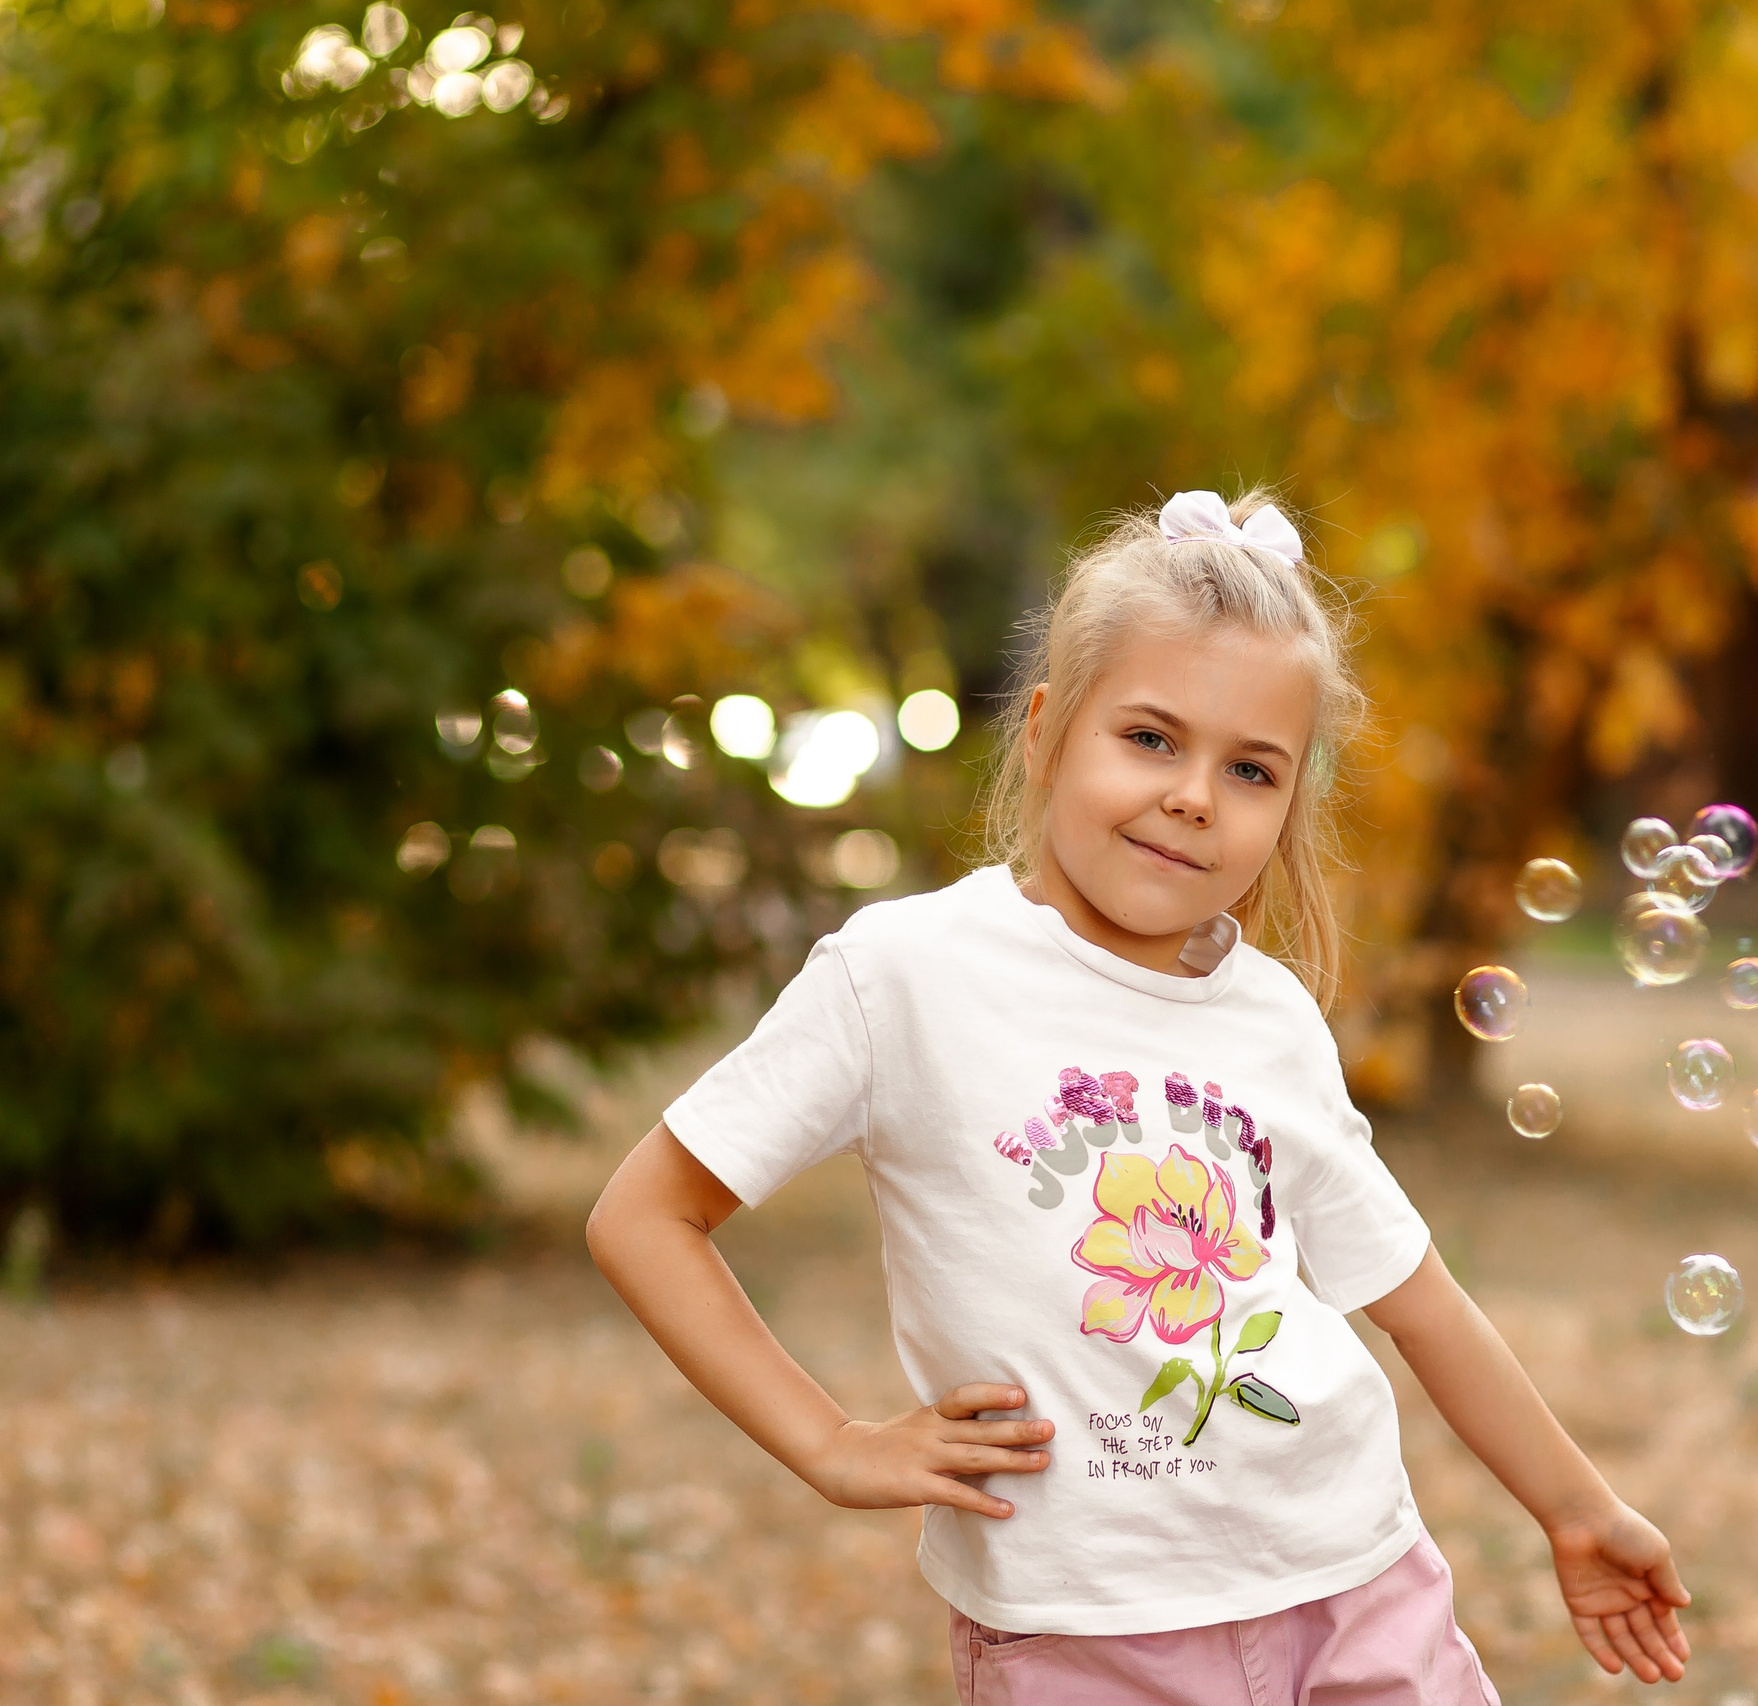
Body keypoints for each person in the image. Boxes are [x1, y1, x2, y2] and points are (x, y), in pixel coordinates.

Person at [586, 489, 1692, 1703]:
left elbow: (1414, 1299)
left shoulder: (1268, 1017)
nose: (1194, 795)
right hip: (1085, 1636)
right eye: (1151, 738)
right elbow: (644, 1215)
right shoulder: (901, 974)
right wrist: (828, 1442)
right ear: (1049, 730)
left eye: (1252, 768)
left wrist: (1577, 1508)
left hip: (1356, 1587)